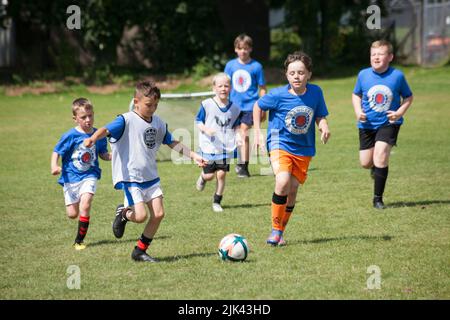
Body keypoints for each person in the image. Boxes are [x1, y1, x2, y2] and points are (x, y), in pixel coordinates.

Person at [84, 81, 207, 263]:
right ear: (136, 102)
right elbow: (105, 129)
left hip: (151, 176)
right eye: (149, 105)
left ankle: (139, 251)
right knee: (140, 216)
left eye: (156, 105)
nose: (152, 109)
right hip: (131, 178)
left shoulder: (158, 123)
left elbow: (171, 141)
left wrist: (194, 155)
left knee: (158, 214)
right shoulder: (126, 120)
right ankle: (123, 213)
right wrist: (93, 138)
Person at [253, 51, 331, 246]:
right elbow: (258, 106)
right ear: (286, 75)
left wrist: (324, 127)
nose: (297, 76)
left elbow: (320, 115)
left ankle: (280, 232)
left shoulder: (315, 93)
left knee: (293, 191)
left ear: (309, 74)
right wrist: (257, 132)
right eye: (292, 73)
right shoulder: (278, 95)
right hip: (279, 143)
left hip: (304, 149)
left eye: (301, 72)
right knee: (282, 181)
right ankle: (275, 231)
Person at [352, 40, 413, 209]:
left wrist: (399, 112)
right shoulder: (363, 75)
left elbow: (408, 96)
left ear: (390, 57)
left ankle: (377, 199)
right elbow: (356, 95)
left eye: (380, 54)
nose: (376, 57)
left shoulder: (397, 76)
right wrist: (358, 112)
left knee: (380, 155)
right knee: (366, 162)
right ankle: (375, 168)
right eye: (373, 54)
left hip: (389, 122)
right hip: (366, 125)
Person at [51, 98, 111, 250]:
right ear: (75, 119)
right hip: (70, 177)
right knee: (72, 214)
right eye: (84, 117)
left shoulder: (98, 135)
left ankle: (79, 241)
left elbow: (103, 154)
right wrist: (54, 166)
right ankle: (78, 232)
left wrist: (114, 156)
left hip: (89, 175)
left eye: (90, 115)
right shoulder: (70, 136)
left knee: (86, 204)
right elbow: (56, 151)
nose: (88, 120)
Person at [195, 73, 242, 212]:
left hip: (224, 147)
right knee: (210, 176)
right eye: (220, 86)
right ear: (214, 88)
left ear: (231, 88)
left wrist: (238, 136)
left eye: (226, 86)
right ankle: (203, 178)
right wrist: (206, 129)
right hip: (209, 146)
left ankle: (217, 201)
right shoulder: (207, 104)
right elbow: (198, 121)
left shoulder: (234, 108)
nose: (223, 88)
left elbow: (236, 125)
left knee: (221, 174)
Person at [225, 33, 266, 178]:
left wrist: (263, 107)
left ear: (250, 49)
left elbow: (262, 88)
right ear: (236, 49)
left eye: (246, 48)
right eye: (240, 48)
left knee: (243, 132)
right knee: (237, 135)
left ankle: (244, 167)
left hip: (250, 106)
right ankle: (240, 163)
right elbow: (225, 85)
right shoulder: (230, 66)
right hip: (234, 107)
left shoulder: (256, 67)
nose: (243, 51)